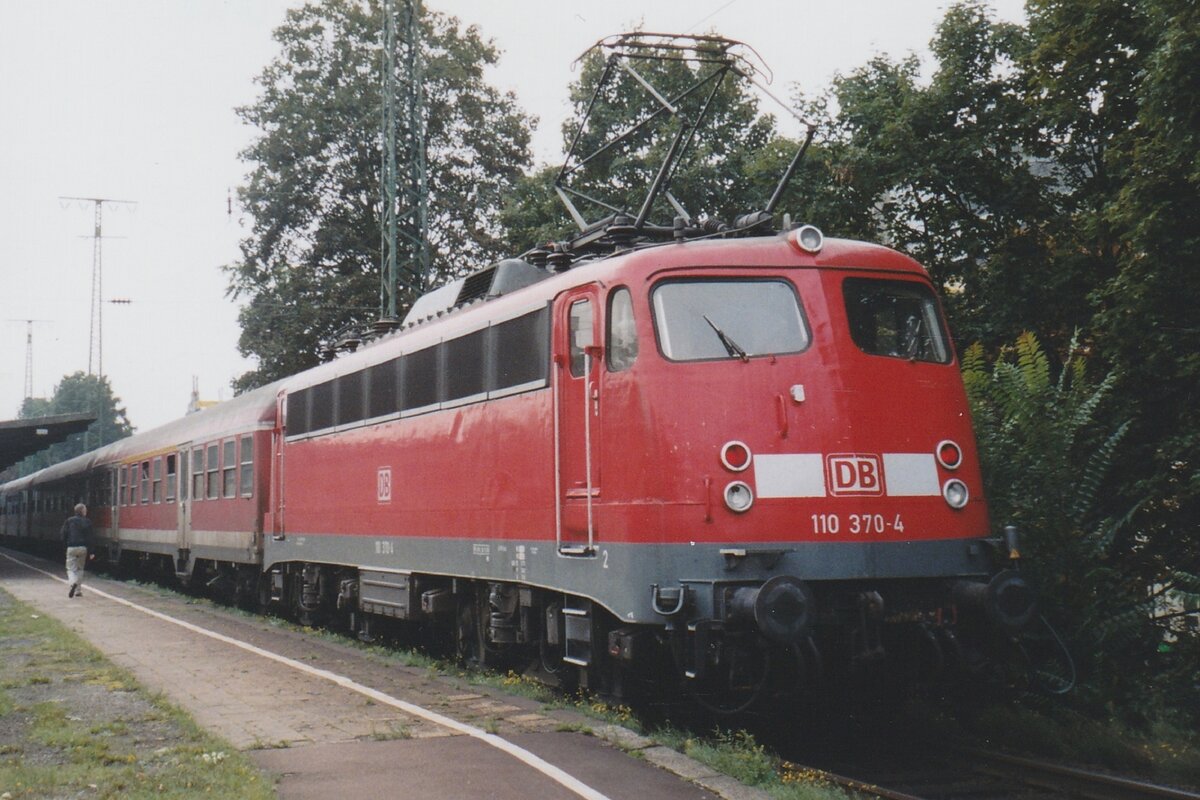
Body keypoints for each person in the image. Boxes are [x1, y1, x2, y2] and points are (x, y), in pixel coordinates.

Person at [61, 503, 93, 598]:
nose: (86, 511)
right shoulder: (87, 522)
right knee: (80, 569)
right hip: (83, 548)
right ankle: (78, 591)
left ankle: (73, 583)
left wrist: (65, 545)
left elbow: (63, 534)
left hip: (71, 547)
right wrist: (91, 551)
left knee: (71, 569)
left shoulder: (69, 521)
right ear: (82, 511)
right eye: (85, 510)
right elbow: (90, 538)